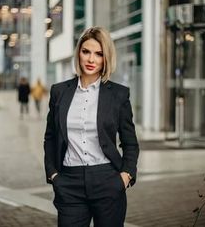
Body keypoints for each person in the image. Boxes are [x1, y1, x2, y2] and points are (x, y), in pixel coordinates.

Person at [44, 26, 139, 227]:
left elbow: (130, 143)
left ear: (106, 58)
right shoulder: (59, 92)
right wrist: (54, 175)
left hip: (108, 180)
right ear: (78, 52)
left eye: (99, 54)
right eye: (86, 51)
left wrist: (124, 176)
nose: (91, 59)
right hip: (69, 182)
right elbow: (50, 138)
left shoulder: (118, 95)